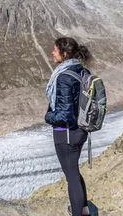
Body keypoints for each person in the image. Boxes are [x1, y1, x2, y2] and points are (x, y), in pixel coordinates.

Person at [45, 37, 92, 216]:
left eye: (55, 50)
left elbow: (65, 114)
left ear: (64, 54)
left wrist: (48, 117)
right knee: (74, 172)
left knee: (71, 176)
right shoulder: (81, 70)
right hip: (80, 131)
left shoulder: (64, 76)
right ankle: (85, 211)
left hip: (66, 134)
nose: (52, 52)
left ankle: (78, 214)